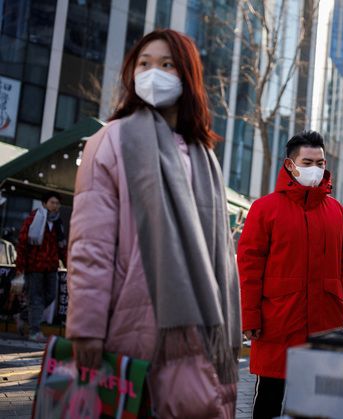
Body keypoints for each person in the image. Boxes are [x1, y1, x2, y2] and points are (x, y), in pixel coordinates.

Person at [66, 29, 241, 418]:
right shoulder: (111, 141)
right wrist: (86, 328)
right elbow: (89, 245)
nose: (153, 73)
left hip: (199, 335)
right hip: (133, 331)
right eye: (144, 64)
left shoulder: (204, 157)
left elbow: (222, 256)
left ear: (187, 76)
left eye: (166, 64)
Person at [238, 131, 343, 419]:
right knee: (269, 398)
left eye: (320, 162)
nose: (315, 168)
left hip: (324, 323)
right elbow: (249, 267)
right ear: (290, 165)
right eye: (308, 161)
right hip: (278, 322)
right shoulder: (264, 209)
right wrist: (249, 317)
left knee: (316, 404)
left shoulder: (336, 211)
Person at [15, 192, 66, 342]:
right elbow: (22, 244)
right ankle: (34, 332)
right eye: (52, 202)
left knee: (50, 296)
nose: (55, 206)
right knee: (35, 299)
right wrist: (20, 268)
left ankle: (22, 316)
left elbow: (62, 246)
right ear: (44, 204)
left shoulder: (58, 223)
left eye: (57, 203)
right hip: (34, 266)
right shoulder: (32, 219)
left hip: (51, 267)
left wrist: (68, 264)